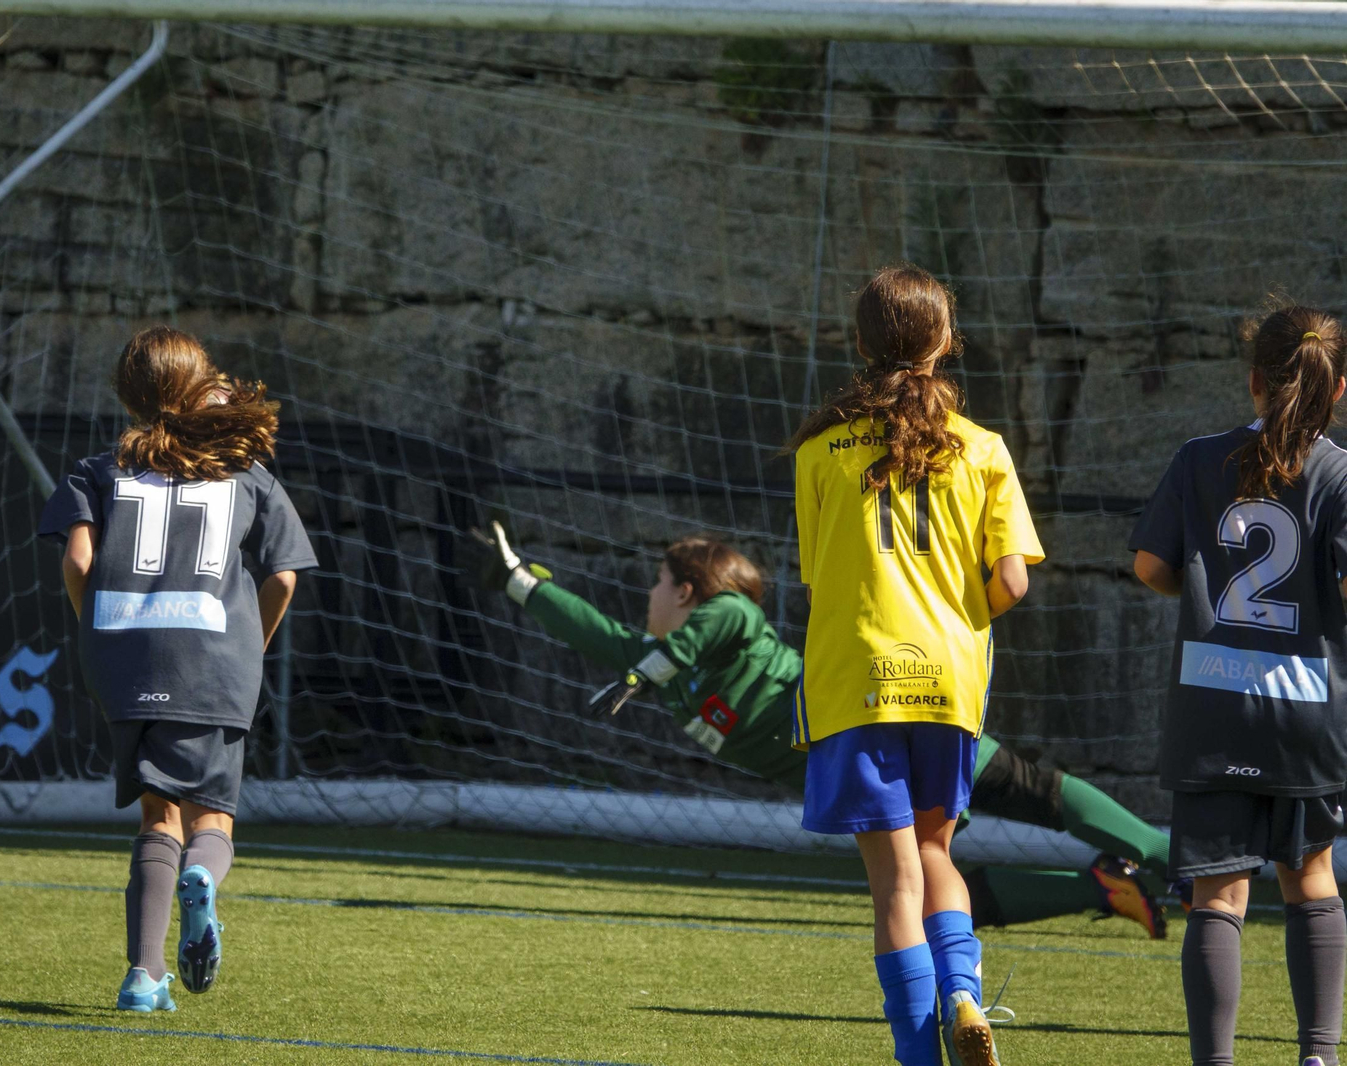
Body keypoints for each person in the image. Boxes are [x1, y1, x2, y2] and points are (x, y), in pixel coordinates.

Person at [468, 526, 1172, 938]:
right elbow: (596, 633)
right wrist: (520, 582)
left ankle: (1173, 854)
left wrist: (655, 664)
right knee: (935, 900)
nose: (646, 597)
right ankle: (1108, 888)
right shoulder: (662, 667)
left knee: (1028, 791)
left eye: (657, 583)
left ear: (685, 592)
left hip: (885, 727)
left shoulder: (728, 626)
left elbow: (722, 619)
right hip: (864, 773)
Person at [792, 264, 1043, 1066]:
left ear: (859, 344)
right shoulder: (984, 447)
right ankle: (963, 990)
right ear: (942, 343)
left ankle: (917, 1056)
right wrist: (956, 620)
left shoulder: (821, 451)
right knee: (936, 855)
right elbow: (1012, 581)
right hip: (948, 678)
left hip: (857, 676)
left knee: (893, 880)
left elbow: (819, 574)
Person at [38, 326, 317, 1012]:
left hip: (125, 655)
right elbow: (283, 576)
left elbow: (77, 563)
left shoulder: (97, 470)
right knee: (211, 820)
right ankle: (203, 876)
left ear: (132, 399)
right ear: (199, 386)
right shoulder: (248, 476)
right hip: (215, 658)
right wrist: (253, 647)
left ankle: (143, 976)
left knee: (155, 816)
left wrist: (96, 625)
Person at [1131, 305, 1347, 1066]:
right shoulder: (1340, 474)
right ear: (1339, 390)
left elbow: (1152, 567)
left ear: (1253, 381)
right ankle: (1318, 1055)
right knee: (1312, 876)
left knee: (1217, 896)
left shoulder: (1198, 459)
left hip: (1212, 708)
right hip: (1307, 713)